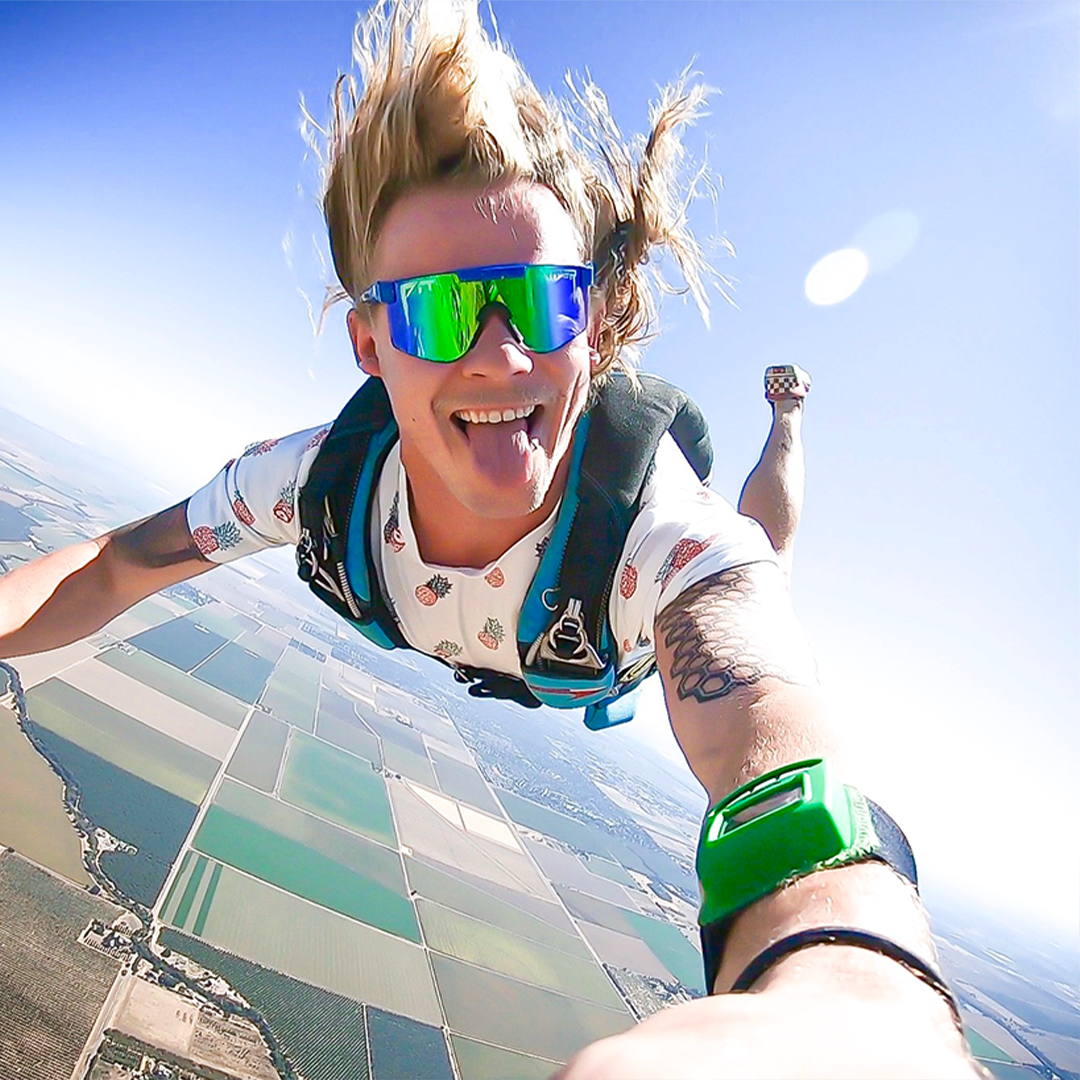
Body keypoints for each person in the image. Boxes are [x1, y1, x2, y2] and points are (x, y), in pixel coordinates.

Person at [0, 3, 976, 1077]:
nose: (503, 356)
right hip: (550, 623)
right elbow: (110, 563)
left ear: (594, 331)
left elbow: (784, 775)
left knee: (756, 553)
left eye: (537, 302)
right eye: (440, 314)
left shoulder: (670, 548)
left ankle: (785, 423)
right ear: (371, 343)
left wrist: (851, 996)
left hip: (631, 614)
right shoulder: (323, 482)